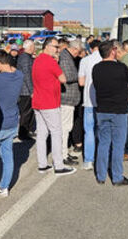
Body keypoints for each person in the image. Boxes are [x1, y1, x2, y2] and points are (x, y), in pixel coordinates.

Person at [91, 40, 128, 186]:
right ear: (112, 51)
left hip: (102, 109)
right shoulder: (121, 67)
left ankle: (101, 175)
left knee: (103, 143)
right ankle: (117, 177)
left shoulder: (96, 68)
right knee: (118, 145)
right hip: (119, 110)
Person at [31, 37, 76, 175]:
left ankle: (42, 164)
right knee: (56, 133)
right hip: (50, 102)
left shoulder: (37, 59)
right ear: (47, 46)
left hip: (38, 101)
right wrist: (56, 62)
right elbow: (63, 79)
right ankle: (59, 165)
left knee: (42, 134)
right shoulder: (50, 61)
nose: (58, 50)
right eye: (56, 47)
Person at [0, 50, 23, 197]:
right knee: (8, 157)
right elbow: (13, 69)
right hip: (12, 122)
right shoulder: (19, 75)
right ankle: (4, 187)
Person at [76, 39, 102, 170]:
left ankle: (88, 160)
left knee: (89, 130)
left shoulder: (85, 61)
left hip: (89, 100)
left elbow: (81, 82)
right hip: (103, 101)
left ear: (90, 49)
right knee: (102, 130)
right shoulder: (107, 60)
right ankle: (101, 158)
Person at [58, 40, 83, 165]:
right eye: (78, 52)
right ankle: (62, 155)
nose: (78, 55)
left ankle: (64, 153)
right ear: (74, 49)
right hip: (66, 97)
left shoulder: (66, 57)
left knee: (66, 127)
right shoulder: (65, 58)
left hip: (68, 97)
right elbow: (66, 77)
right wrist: (80, 76)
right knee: (65, 128)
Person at [16, 40, 36, 141]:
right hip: (25, 90)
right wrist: (32, 90)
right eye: (33, 46)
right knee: (26, 113)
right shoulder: (25, 58)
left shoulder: (26, 57)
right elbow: (27, 75)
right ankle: (23, 133)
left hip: (25, 89)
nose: (35, 48)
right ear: (30, 47)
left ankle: (26, 131)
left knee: (28, 112)